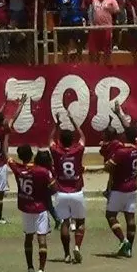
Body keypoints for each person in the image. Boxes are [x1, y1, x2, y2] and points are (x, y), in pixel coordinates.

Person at [8, 144, 55, 272]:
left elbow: (9, 160)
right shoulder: (42, 171)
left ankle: (30, 267)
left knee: (28, 237)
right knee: (42, 237)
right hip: (40, 208)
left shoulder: (17, 169)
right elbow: (54, 188)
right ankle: (41, 269)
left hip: (25, 208)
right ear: (32, 155)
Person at [47, 111, 87, 264]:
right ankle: (77, 246)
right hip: (76, 191)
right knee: (80, 222)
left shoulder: (56, 151)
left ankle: (66, 254)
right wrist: (74, 121)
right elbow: (83, 137)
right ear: (72, 140)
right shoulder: (77, 150)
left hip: (61, 192)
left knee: (65, 221)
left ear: (61, 141)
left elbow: (50, 139)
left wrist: (56, 126)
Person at [0, 94, 28, 225]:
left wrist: (3, 104)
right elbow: (14, 117)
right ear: (1, 121)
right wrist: (21, 104)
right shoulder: (3, 130)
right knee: (0, 192)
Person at [104, 123, 137, 258]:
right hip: (133, 188)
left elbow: (108, 167)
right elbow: (133, 135)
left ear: (125, 136)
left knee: (110, 216)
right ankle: (129, 249)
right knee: (130, 218)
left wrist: (107, 156)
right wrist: (119, 114)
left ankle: (123, 240)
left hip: (119, 188)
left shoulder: (121, 152)